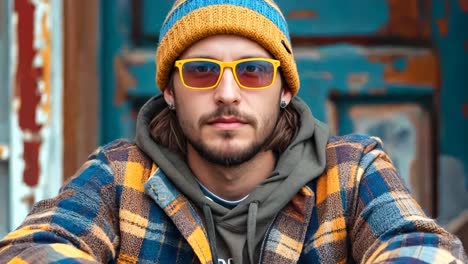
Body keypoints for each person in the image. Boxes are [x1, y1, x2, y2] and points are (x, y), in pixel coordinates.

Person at [0, 0, 466, 263]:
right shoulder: (121, 176)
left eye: (254, 72)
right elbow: (31, 249)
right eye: (202, 71)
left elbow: (424, 250)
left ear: (284, 90)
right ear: (169, 90)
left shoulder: (350, 170)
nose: (227, 93)